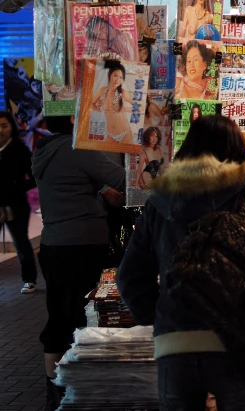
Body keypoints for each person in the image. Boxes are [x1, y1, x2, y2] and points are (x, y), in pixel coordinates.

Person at [117, 115, 245, 411]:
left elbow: (129, 276)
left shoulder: (160, 203)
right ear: (237, 151)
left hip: (175, 341)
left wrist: (158, 316)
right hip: (240, 341)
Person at [31, 115, 125, 411]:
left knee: (58, 315)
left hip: (53, 245)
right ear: (76, 118)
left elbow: (68, 184)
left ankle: (55, 392)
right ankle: (87, 391)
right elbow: (126, 179)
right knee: (88, 316)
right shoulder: (79, 149)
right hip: (83, 245)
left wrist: (97, 189)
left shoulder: (44, 151)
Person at [0, 111, 37, 293]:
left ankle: (29, 279)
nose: (0, 130)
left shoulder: (20, 148)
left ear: (11, 128)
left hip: (17, 205)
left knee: (21, 242)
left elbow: (33, 176)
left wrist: (16, 187)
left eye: (4, 126)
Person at [90, 62, 134, 144]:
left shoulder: (123, 93)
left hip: (125, 133)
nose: (117, 80)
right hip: (110, 135)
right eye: (115, 75)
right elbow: (90, 104)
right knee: (105, 155)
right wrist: (97, 107)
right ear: (109, 75)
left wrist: (122, 108)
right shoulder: (102, 91)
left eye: (121, 77)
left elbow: (140, 107)